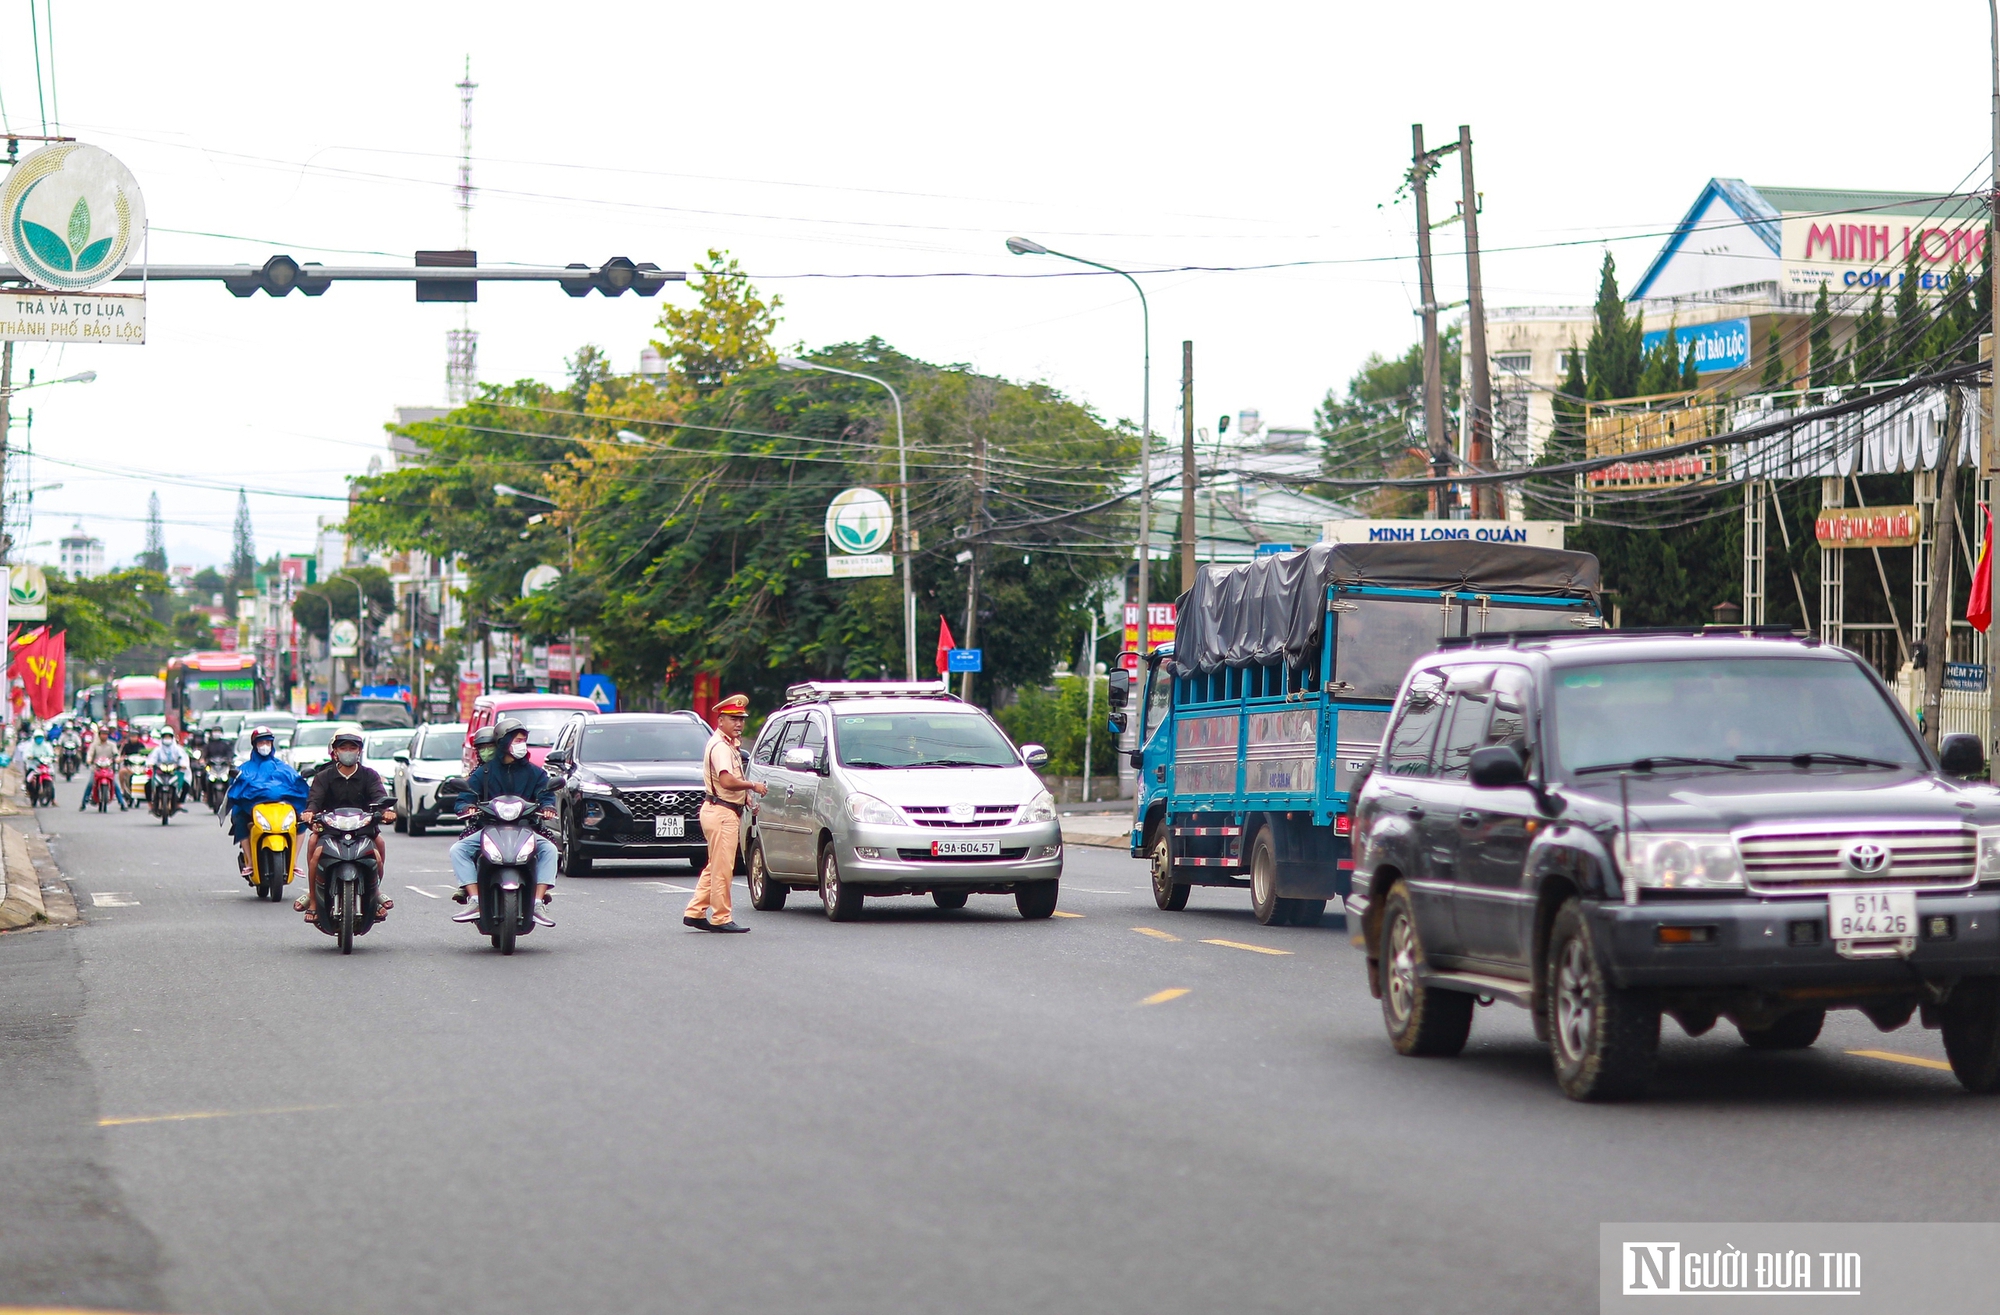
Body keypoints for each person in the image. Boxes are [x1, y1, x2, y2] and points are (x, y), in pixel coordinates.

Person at [449, 719, 558, 925]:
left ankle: (537, 902)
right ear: (504, 741)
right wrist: (466, 807)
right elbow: (465, 797)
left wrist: (548, 808)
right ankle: (475, 899)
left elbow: (546, 795)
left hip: (526, 829)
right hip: (488, 829)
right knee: (459, 849)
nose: (521, 744)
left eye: (524, 740)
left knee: (550, 850)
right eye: (517, 740)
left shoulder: (536, 773)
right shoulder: (484, 772)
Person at [684, 694, 766, 934]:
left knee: (715, 866)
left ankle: (695, 911)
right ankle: (721, 917)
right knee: (722, 869)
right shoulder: (720, 746)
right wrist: (752, 786)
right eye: (733, 719)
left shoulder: (728, 744)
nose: (739, 724)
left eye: (741, 719)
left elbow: (730, 783)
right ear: (720, 721)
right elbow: (727, 781)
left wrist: (746, 798)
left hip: (722, 809)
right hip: (721, 813)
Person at [296, 727, 395, 922]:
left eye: (352, 747)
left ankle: (374, 893)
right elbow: (314, 801)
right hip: (330, 828)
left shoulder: (370, 775)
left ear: (359, 751)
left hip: (363, 828)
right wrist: (309, 813)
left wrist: (386, 812)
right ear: (335, 752)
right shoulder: (323, 776)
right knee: (313, 846)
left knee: (379, 847)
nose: (348, 751)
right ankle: (313, 898)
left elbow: (380, 796)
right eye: (343, 747)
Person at [225, 726, 309, 881]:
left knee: (302, 823)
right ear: (255, 744)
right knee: (240, 819)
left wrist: (301, 779)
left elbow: (295, 782)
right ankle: (249, 861)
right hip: (254, 811)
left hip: (281, 810)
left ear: (272, 744)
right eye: (260, 742)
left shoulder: (283, 767)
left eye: (267, 742)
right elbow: (234, 785)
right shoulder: (245, 769)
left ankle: (294, 862)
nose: (264, 745)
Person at [144, 730, 189, 808]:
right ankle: (150, 803)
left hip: (174, 772)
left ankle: (179, 803)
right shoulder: (157, 750)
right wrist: (150, 764)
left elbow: (183, 759)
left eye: (169, 737)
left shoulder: (178, 749)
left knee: (186, 785)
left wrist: (182, 765)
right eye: (165, 737)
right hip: (160, 772)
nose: (167, 739)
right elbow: (152, 758)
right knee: (147, 785)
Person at [83, 731, 120, 810]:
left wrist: (117, 759)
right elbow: (90, 754)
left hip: (108, 768)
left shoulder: (112, 744)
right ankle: (83, 803)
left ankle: (122, 803)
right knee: (90, 784)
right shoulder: (94, 745)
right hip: (97, 768)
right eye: (102, 734)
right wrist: (89, 760)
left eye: (106, 734)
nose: (104, 736)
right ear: (99, 735)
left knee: (115, 784)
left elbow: (116, 754)